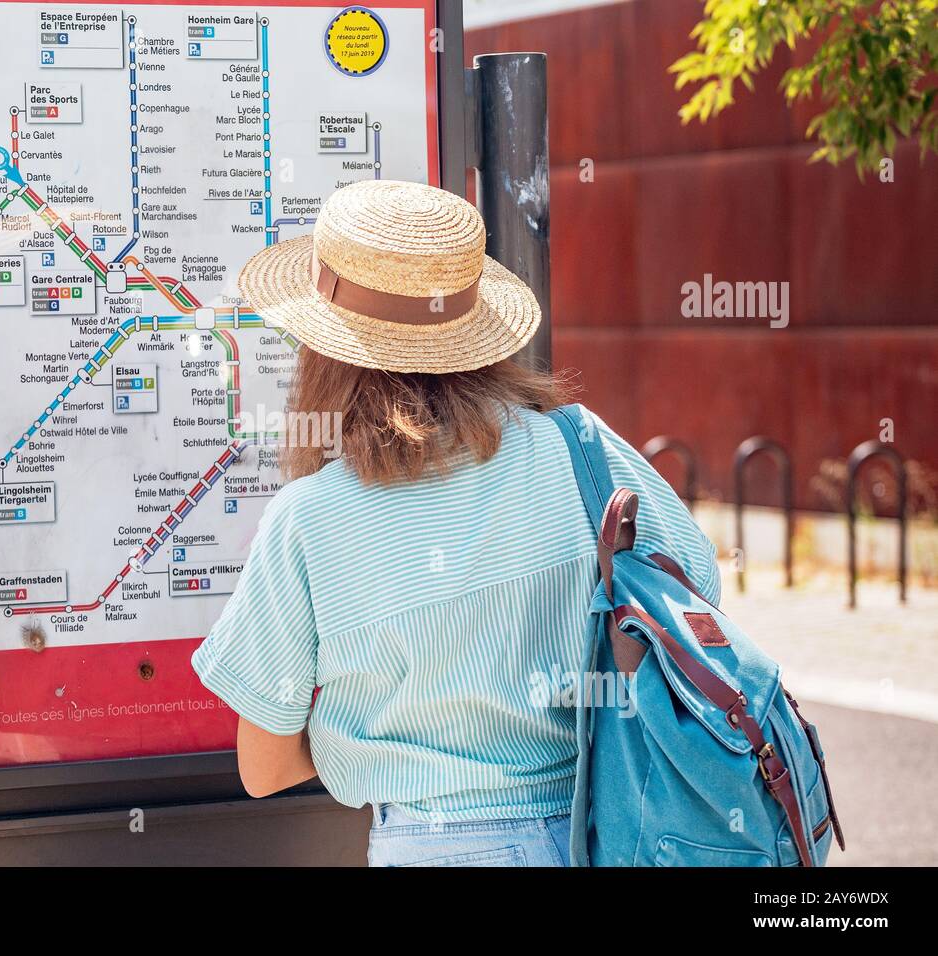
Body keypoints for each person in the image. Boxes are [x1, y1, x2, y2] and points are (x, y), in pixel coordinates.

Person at [191, 180, 719, 867]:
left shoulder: (309, 519)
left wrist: (384, 740)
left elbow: (263, 768)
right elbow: (696, 587)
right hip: (613, 833)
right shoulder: (580, 448)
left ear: (326, 352)